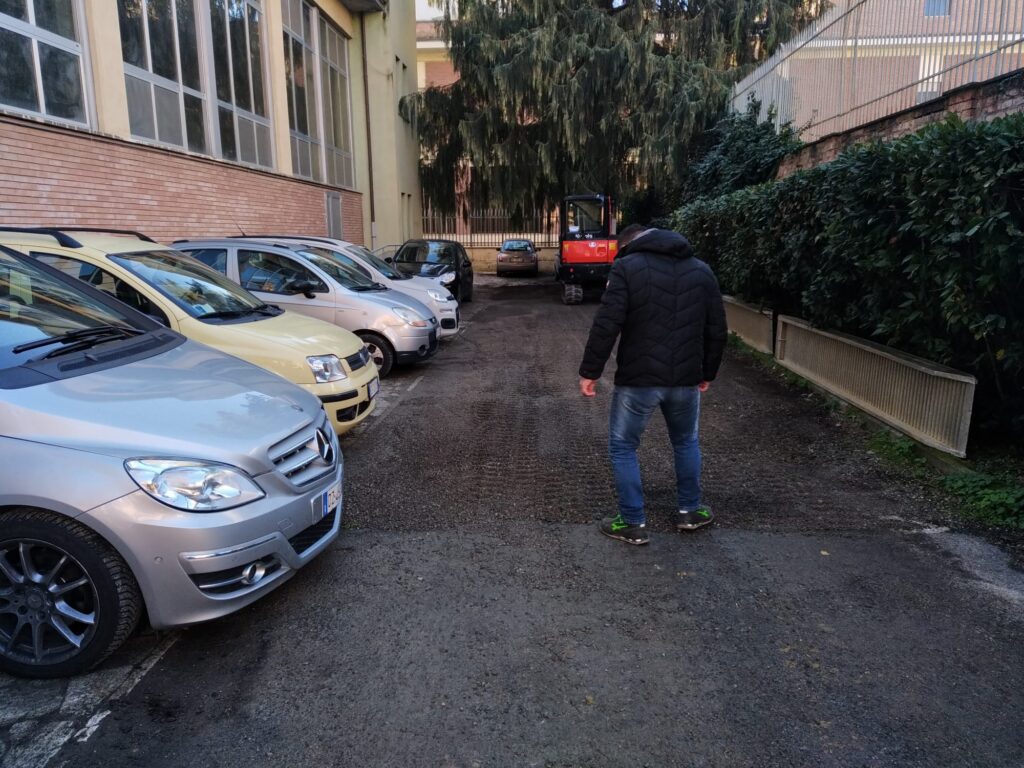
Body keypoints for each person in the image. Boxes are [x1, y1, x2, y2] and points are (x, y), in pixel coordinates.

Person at [579, 223, 728, 545]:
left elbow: (607, 323)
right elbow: (717, 328)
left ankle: (632, 522)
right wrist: (708, 372)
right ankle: (690, 511)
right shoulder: (701, 271)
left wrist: (591, 371)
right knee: (686, 442)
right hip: (686, 379)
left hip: (638, 379)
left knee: (623, 447)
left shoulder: (626, 268)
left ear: (628, 245)